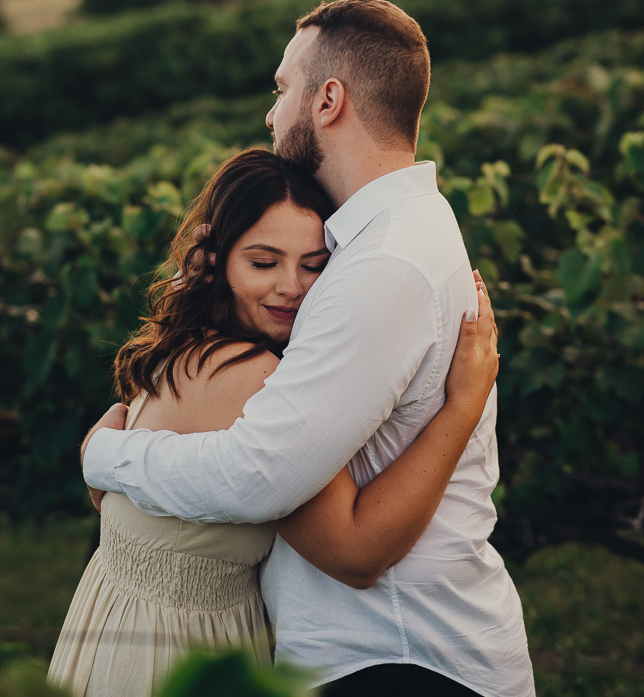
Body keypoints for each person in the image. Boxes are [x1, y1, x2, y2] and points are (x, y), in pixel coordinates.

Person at [83, 0, 535, 696]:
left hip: (398, 655)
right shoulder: (391, 234)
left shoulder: (381, 264)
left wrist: (107, 456)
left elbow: (259, 477)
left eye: (281, 88)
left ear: (328, 100)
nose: (271, 115)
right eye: (263, 261)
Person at [50, 147, 499, 696]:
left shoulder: (183, 345)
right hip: (182, 652)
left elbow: (114, 502)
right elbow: (357, 552)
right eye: (263, 263)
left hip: (113, 623)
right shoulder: (249, 374)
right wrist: (463, 406)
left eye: (314, 266)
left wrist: (100, 456)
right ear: (217, 261)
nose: (291, 286)